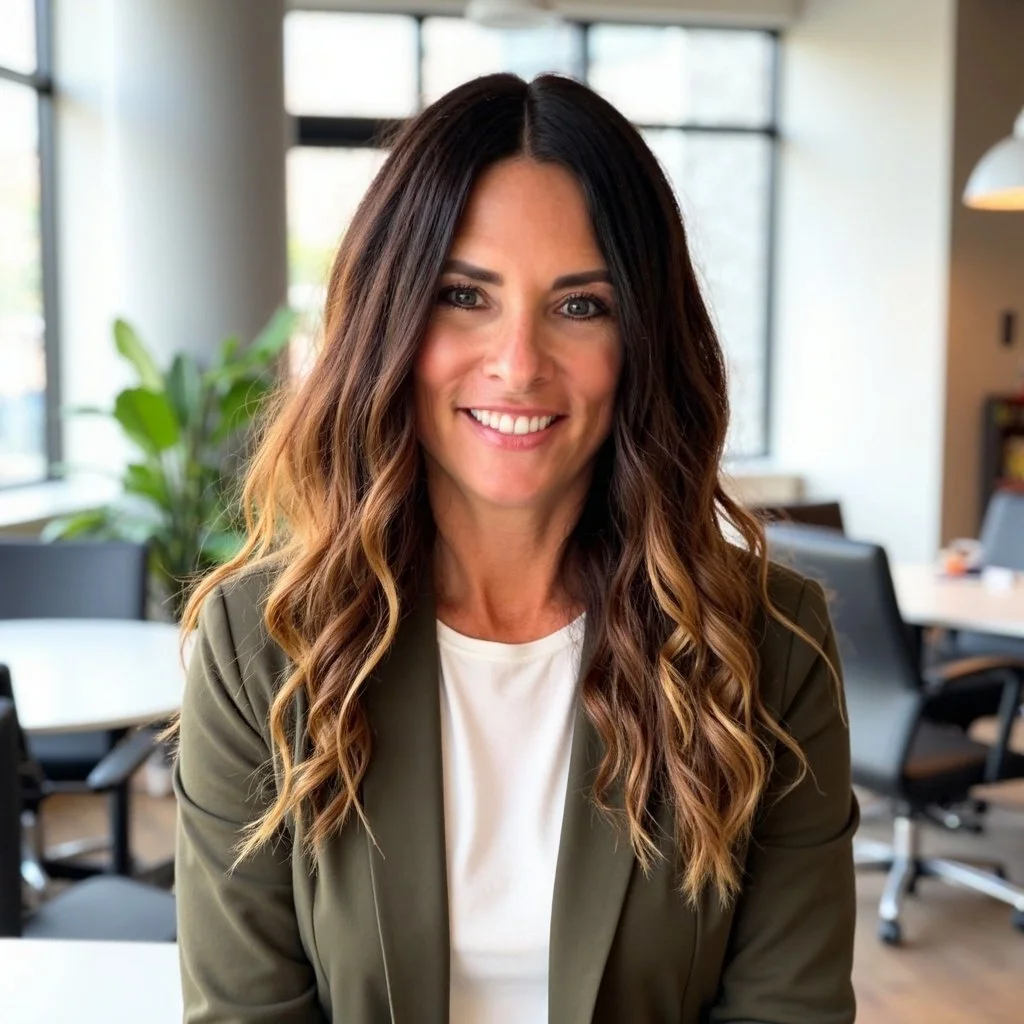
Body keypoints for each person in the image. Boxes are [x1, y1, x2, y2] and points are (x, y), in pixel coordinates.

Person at [173, 72, 857, 1024]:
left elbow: (792, 1009)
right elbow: (247, 1011)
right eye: (465, 295)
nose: (519, 362)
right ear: (391, 320)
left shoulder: (769, 645)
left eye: (581, 305)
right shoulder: (264, 646)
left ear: (642, 339)